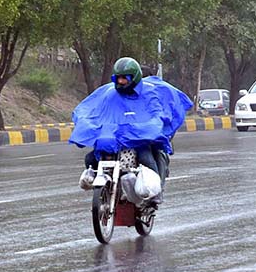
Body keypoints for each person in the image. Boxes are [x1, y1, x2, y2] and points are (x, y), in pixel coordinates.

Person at [70, 57, 192, 199]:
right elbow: (91, 110)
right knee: (90, 159)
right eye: (118, 78)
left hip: (139, 141)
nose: (121, 82)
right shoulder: (108, 93)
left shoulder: (150, 93)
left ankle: (155, 193)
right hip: (113, 141)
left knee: (146, 157)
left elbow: (158, 114)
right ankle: (103, 189)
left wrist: (151, 128)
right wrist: (88, 125)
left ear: (135, 78)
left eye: (125, 78)